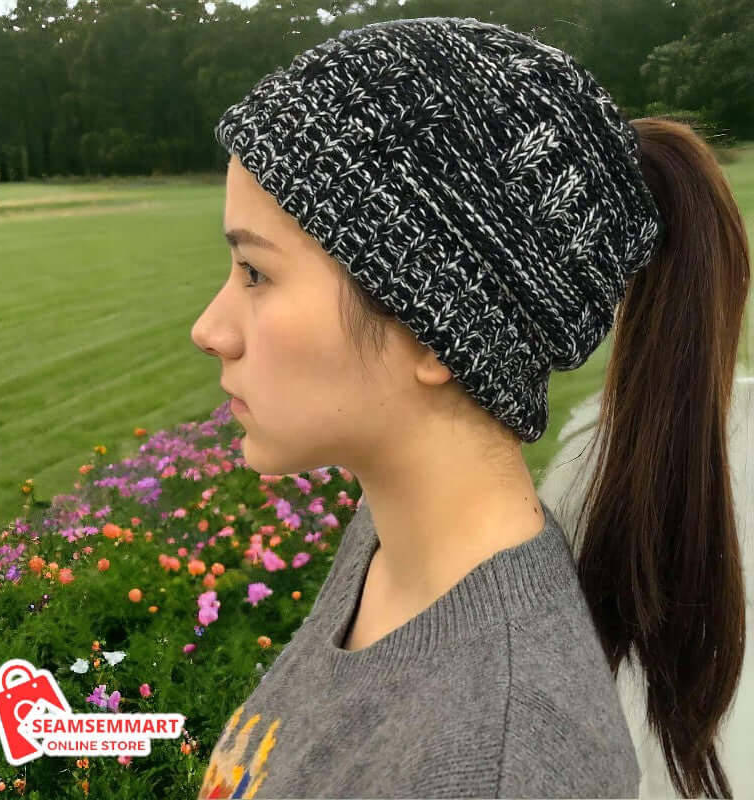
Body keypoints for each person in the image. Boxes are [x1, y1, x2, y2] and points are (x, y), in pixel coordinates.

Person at [191, 16, 750, 799]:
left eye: (256, 273)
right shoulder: (392, 544)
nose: (209, 330)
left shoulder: (502, 764)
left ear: (438, 330)